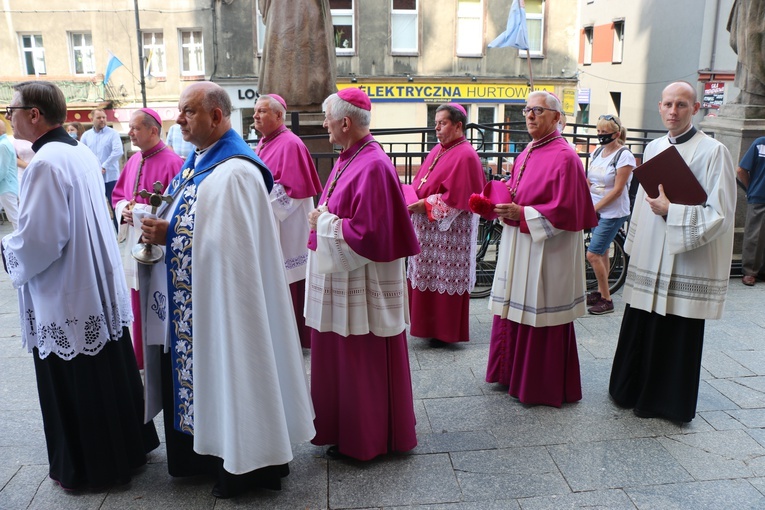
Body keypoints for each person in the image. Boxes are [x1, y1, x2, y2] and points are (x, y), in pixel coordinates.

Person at [139, 81, 315, 498]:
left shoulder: (234, 171)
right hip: (200, 302)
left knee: (235, 369)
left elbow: (230, 247)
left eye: (189, 112)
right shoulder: (199, 161)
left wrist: (172, 233)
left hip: (231, 306)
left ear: (216, 116)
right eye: (179, 112)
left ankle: (246, 463)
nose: (178, 119)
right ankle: (206, 453)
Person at [0, 81, 158, 490]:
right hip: (92, 283)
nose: (8, 116)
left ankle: (94, 467)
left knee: (79, 379)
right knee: (104, 369)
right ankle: (127, 448)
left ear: (34, 114)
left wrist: (7, 248)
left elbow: (40, 240)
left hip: (66, 291)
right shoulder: (77, 150)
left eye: (11, 109)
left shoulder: (45, 163)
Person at [609, 81, 737, 423]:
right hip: (652, 252)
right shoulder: (651, 148)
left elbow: (721, 213)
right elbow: (641, 203)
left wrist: (673, 211)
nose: (673, 111)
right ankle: (629, 391)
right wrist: (633, 243)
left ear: (695, 109)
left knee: (675, 329)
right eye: (667, 104)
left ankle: (664, 403)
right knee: (642, 322)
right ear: (660, 106)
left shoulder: (714, 152)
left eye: (681, 105)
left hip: (685, 262)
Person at [305, 88, 420, 460]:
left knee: (360, 357)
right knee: (342, 356)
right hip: (343, 277)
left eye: (327, 119)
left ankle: (366, 438)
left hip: (362, 281)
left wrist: (324, 223)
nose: (324, 125)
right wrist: (325, 217)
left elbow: (369, 233)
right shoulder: (348, 157)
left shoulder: (371, 164)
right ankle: (343, 429)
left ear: (345, 122)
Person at [486, 90, 598, 407]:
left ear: (556, 118)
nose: (530, 115)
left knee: (540, 313)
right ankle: (510, 373)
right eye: (527, 110)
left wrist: (522, 214)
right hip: (520, 244)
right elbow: (519, 191)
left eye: (538, 110)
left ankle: (537, 384)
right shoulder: (528, 151)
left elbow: (567, 210)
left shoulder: (566, 157)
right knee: (515, 305)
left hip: (548, 252)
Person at [407, 103, 486, 345]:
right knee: (428, 275)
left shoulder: (466, 154)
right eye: (436, 124)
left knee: (444, 277)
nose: (437, 129)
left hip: (451, 232)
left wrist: (425, 204)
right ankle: (427, 327)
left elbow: (459, 198)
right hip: (428, 230)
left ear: (458, 126)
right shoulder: (439, 149)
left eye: (442, 124)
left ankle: (444, 331)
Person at [111, 108, 183, 369]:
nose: (130, 132)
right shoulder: (133, 160)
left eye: (135, 128)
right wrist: (124, 210)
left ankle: (158, 357)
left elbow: (178, 208)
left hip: (160, 249)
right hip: (135, 244)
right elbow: (119, 196)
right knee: (137, 298)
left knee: (156, 299)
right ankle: (140, 357)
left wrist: (139, 212)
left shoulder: (173, 163)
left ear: (153, 130)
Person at [253, 93, 322, 348]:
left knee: (292, 275)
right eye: (255, 111)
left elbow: (294, 190)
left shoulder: (290, 144)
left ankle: (296, 336)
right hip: (272, 222)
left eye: (262, 111)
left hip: (289, 224)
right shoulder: (263, 142)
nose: (256, 115)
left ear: (279, 116)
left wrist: (257, 194)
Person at [585, 114, 636, 314]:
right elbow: (591, 180)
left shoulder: (624, 155)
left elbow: (617, 190)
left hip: (613, 212)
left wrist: (594, 209)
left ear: (616, 134)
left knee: (593, 254)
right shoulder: (597, 152)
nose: (600, 135)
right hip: (596, 207)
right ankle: (600, 291)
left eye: (604, 132)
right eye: (598, 132)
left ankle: (606, 299)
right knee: (603, 251)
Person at [258, 0, 337, 107]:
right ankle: (311, 94)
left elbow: (264, 6)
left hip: (282, 18)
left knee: (285, 52)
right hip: (310, 14)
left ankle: (284, 96)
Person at [80, 109, 124, 230]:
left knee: (115, 206)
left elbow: (118, 151)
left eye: (104, 117)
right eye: (99, 118)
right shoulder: (86, 136)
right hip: (93, 177)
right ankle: (99, 233)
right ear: (92, 119)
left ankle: (119, 233)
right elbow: (83, 154)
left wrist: (104, 166)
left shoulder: (113, 133)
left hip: (111, 177)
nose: (102, 120)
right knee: (95, 207)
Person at [737, 137, 765, 286]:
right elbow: (741, 169)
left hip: (758, 193)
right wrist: (751, 189)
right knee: (754, 236)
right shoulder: (760, 143)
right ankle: (749, 272)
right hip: (759, 196)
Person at [727, 0, 765, 105]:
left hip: (758, 7)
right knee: (743, 44)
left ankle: (755, 94)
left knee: (754, 43)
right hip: (745, 5)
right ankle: (745, 92)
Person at [0, 122, 19, 229]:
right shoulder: (4, 143)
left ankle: (23, 241)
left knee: (14, 217)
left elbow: (2, 170)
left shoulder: (3, 145)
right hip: (5, 186)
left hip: (6, 186)